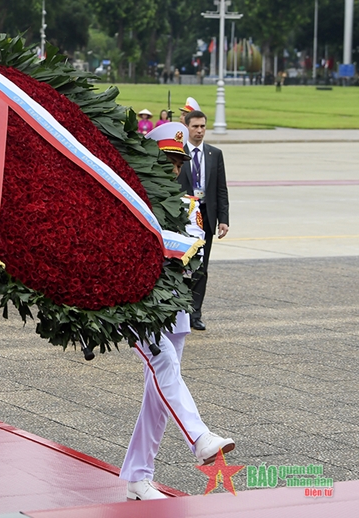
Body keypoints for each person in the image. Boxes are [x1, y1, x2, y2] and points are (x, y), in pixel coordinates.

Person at [119, 121, 235, 500]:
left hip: (174, 306)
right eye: (167, 159)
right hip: (138, 301)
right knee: (164, 365)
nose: (172, 169)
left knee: (159, 394)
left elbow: (194, 251)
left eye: (177, 161)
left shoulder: (185, 204)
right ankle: (200, 437)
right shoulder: (132, 196)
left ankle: (138, 475)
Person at [177, 110, 229, 331]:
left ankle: (195, 313)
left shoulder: (214, 154)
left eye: (202, 127)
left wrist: (223, 220)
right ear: (186, 127)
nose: (199, 131)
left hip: (206, 218)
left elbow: (221, 189)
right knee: (181, 266)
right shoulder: (176, 152)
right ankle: (179, 311)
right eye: (195, 126)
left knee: (201, 267)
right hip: (183, 218)